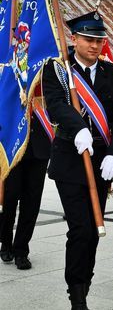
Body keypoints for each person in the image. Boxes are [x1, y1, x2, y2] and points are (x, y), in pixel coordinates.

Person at [42, 11, 113, 310]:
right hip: (70, 159)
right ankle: (77, 297)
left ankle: (84, 282)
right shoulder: (56, 70)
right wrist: (77, 127)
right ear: (74, 39)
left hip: (101, 163)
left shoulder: (112, 74)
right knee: (80, 229)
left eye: (99, 40)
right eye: (89, 39)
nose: (94, 46)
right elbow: (55, 105)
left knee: (94, 230)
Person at [0, 114, 51, 269]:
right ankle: (6, 240)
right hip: (13, 144)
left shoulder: (45, 87)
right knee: (10, 195)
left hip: (40, 146)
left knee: (32, 201)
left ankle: (21, 250)